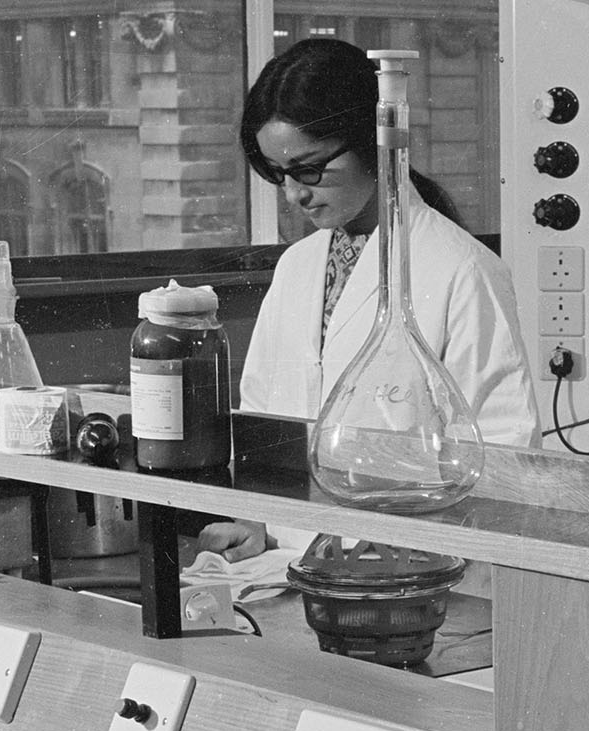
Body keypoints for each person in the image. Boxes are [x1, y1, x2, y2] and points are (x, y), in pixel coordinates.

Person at [203, 38, 541, 563]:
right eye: (279, 174)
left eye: (309, 169)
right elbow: (265, 418)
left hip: (414, 564)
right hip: (291, 557)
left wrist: (416, 555)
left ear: (372, 141)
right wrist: (259, 523)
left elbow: (503, 453)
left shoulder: (463, 270)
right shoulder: (298, 267)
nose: (294, 194)